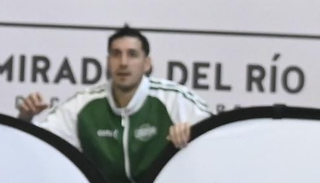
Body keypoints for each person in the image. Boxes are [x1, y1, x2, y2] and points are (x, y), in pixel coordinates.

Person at [20, 27, 211, 182]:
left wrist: (191, 136)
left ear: (147, 64)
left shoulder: (173, 98)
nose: (123, 63)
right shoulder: (84, 104)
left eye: (132, 54)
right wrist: (26, 118)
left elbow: (214, 141)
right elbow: (42, 145)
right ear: (108, 61)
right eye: (116, 54)